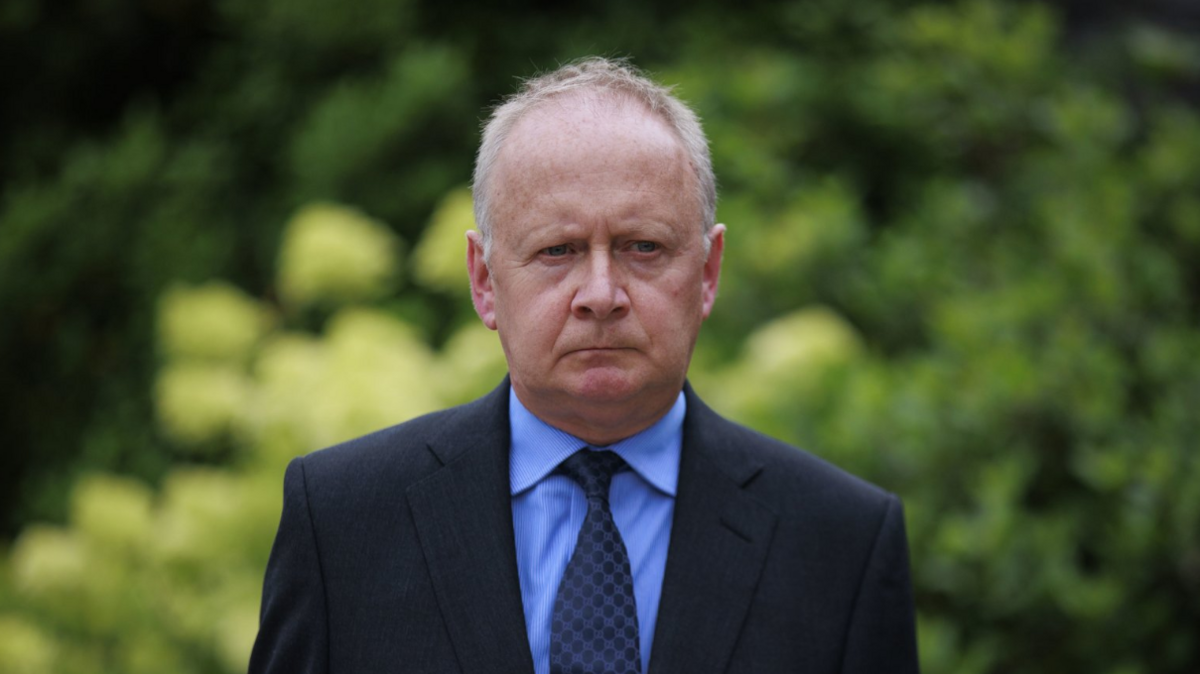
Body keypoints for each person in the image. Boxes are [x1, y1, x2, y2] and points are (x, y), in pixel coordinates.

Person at [249, 57, 919, 674]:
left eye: (643, 246)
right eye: (558, 250)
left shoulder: (842, 544)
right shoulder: (342, 522)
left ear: (708, 273)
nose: (601, 294)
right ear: (483, 280)